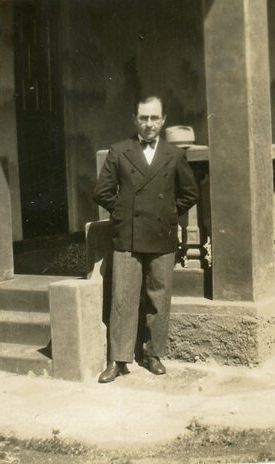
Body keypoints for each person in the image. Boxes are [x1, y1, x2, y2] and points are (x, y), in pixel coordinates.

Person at [93, 96, 199, 383]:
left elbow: (190, 193)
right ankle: (118, 360)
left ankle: (153, 354)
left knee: (158, 298)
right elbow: (102, 192)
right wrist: (124, 213)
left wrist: (167, 214)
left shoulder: (174, 154)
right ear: (135, 119)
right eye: (143, 118)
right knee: (123, 299)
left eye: (154, 118)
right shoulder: (119, 151)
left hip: (161, 234)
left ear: (163, 120)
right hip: (128, 235)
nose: (149, 124)